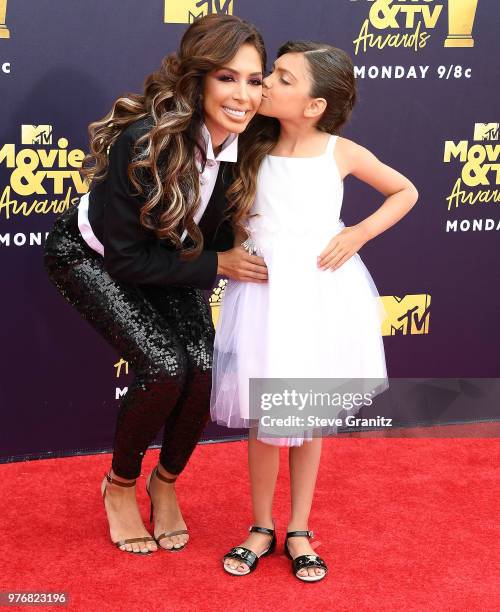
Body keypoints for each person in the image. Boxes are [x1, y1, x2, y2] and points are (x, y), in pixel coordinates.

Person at [43, 14, 268, 555]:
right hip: (97, 259)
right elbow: (125, 260)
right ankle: (119, 486)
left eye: (255, 80)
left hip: (177, 258)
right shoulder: (145, 142)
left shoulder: (248, 143)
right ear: (197, 80)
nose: (244, 95)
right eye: (227, 78)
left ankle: (163, 485)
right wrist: (220, 265)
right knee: (165, 368)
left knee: (204, 371)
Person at [211, 41, 418, 581]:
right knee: (263, 415)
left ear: (314, 105)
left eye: (281, 78)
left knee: (307, 413)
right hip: (263, 294)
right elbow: (224, 212)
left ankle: (298, 527)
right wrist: (228, 254)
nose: (264, 85)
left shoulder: (340, 152)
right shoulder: (244, 147)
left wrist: (358, 233)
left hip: (323, 293)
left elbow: (405, 191)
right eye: (268, 75)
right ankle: (261, 526)